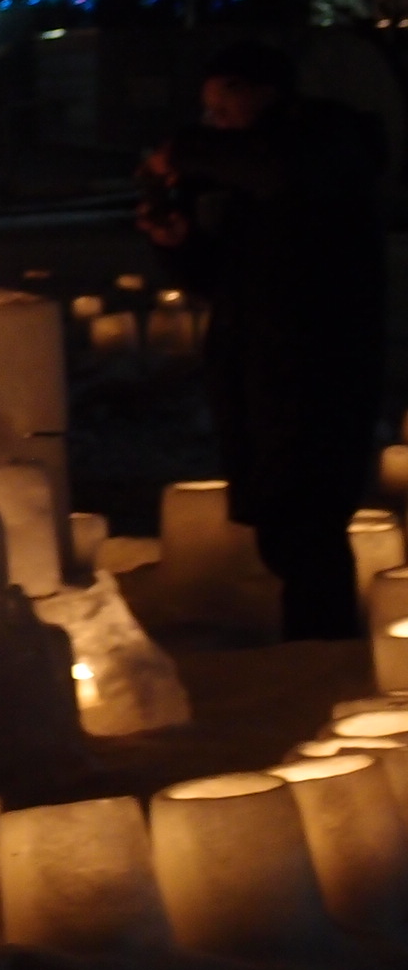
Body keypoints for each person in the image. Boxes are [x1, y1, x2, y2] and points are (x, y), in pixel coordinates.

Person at [139, 41, 387, 639]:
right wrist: (181, 245)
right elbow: (232, 280)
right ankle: (314, 650)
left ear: (263, 94)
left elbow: (277, 167)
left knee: (308, 523)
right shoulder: (265, 181)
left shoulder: (325, 147)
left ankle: (321, 657)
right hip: (265, 370)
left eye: (223, 109)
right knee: (284, 526)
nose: (214, 125)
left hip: (318, 368)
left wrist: (187, 153)